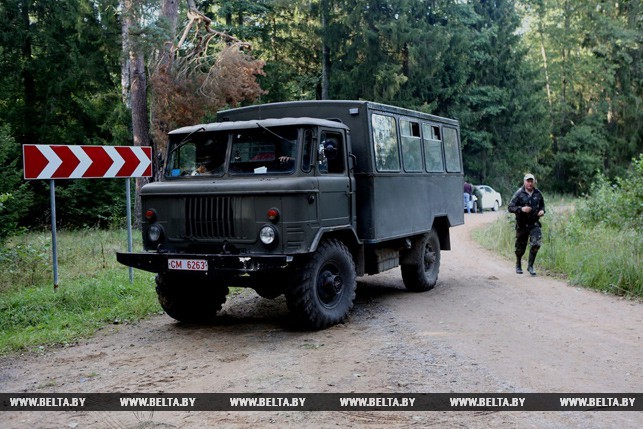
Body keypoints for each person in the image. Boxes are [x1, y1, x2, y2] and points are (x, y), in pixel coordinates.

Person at [508, 173, 546, 275]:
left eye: (531, 181)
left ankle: (530, 266)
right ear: (524, 182)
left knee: (536, 244)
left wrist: (542, 211)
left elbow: (542, 206)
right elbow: (510, 207)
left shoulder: (538, 193)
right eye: (528, 181)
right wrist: (521, 209)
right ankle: (518, 264)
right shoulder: (519, 193)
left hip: (534, 223)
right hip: (522, 224)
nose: (530, 183)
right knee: (520, 248)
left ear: (534, 182)